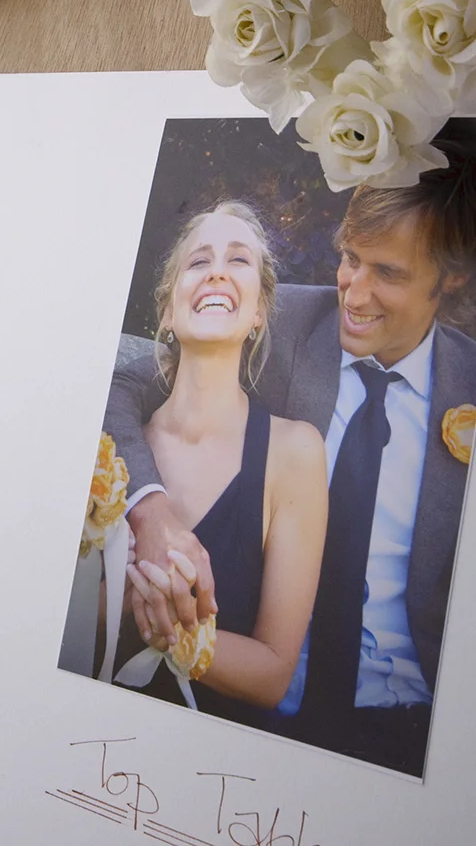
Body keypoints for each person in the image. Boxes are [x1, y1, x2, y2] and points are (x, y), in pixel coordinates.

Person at [104, 143, 476, 775]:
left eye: (389, 273)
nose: (355, 289)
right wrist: (148, 510)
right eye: (350, 258)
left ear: (451, 277)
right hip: (255, 701)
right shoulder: (276, 315)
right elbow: (125, 385)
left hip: (406, 722)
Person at [112, 202, 327, 727]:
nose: (216, 272)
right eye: (198, 261)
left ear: (259, 311)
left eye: (238, 261)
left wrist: (175, 632)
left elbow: (274, 672)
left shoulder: (295, 451)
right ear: (167, 310)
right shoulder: (115, 452)